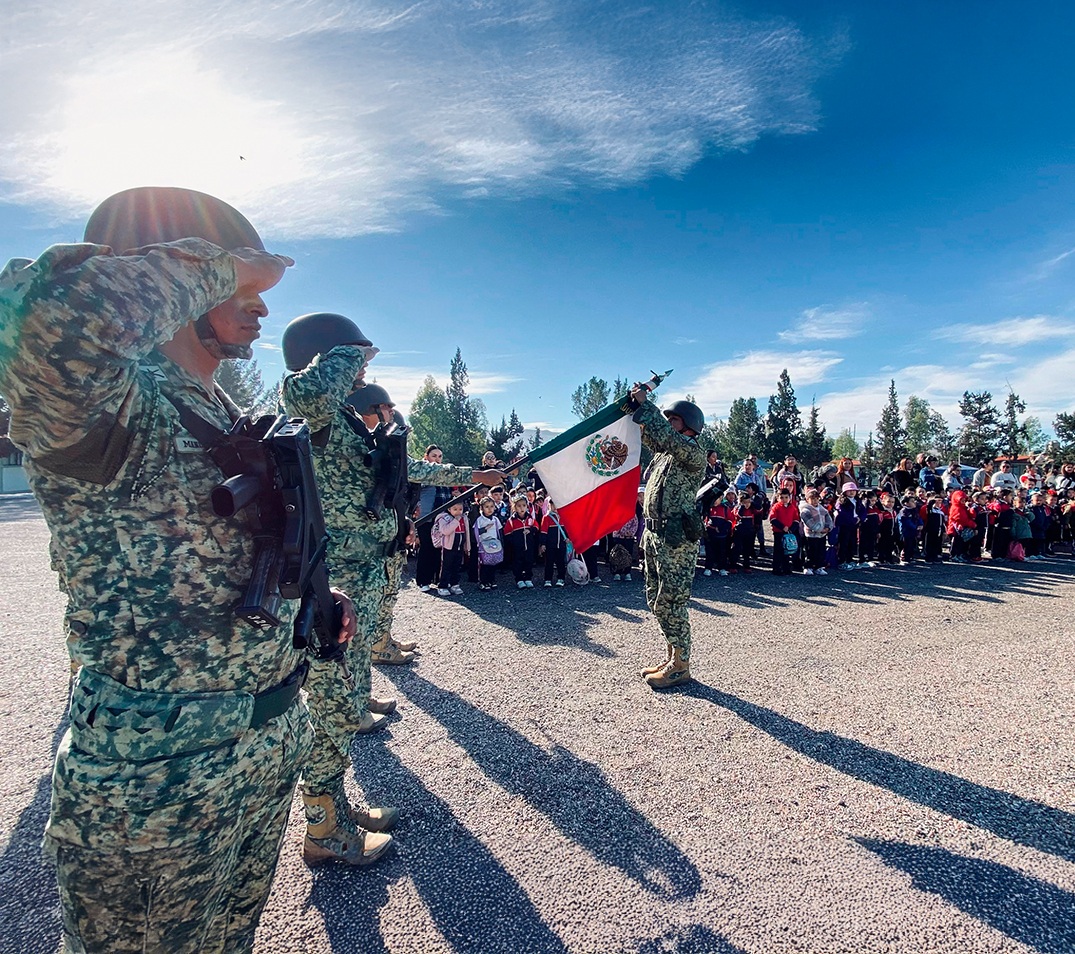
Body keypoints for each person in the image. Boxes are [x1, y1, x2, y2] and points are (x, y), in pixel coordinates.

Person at [0, 186, 362, 951]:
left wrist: (310, 593)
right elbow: (43, 320)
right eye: (238, 285)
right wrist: (217, 265)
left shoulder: (218, 409)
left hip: (263, 746)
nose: (258, 303)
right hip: (156, 783)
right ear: (163, 272)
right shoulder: (116, 404)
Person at [280, 318, 501, 866]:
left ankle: (333, 807)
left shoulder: (349, 428)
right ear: (329, 359)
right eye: (358, 362)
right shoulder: (317, 412)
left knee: (346, 701)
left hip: (358, 577)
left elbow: (405, 471)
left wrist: (473, 475)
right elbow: (305, 388)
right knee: (333, 708)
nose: (365, 371)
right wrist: (347, 354)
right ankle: (323, 829)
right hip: (335, 583)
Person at [629, 390, 707, 689]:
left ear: (688, 426)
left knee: (672, 601)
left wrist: (646, 406)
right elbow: (654, 437)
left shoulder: (693, 453)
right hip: (654, 533)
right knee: (655, 598)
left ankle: (681, 665)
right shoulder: (665, 454)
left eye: (672, 419)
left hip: (676, 539)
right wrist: (632, 412)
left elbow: (669, 439)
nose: (668, 424)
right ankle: (672, 656)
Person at [433, 500, 470, 595]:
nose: (458, 512)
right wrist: (455, 521)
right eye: (455, 509)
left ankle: (455, 584)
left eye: (460, 509)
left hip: (460, 545)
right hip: (448, 547)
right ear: (449, 509)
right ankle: (443, 585)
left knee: (457, 566)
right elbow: (445, 531)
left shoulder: (464, 518)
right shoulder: (444, 518)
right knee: (446, 566)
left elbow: (467, 533)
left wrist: (467, 546)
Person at [473, 495, 505, 589]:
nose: (490, 509)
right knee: (484, 563)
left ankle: (491, 580)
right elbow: (475, 531)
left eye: (491, 506)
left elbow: (499, 531)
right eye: (487, 507)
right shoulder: (480, 520)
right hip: (484, 544)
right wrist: (484, 529)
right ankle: (483, 581)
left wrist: (502, 543)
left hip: (494, 543)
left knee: (493, 562)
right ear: (482, 508)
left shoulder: (495, 519)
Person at [540, 499, 570, 586]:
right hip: (550, 545)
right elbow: (543, 532)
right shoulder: (546, 518)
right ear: (549, 505)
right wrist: (543, 544)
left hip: (561, 544)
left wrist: (568, 538)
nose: (555, 507)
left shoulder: (564, 517)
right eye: (553, 505)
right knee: (549, 562)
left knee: (561, 562)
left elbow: (568, 530)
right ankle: (548, 579)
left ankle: (561, 578)